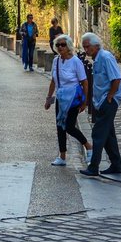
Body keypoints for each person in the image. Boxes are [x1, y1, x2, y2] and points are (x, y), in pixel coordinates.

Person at [43, 34, 93, 166]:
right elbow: (53, 80)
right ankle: (62, 156)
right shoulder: (56, 61)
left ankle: (88, 146)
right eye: (58, 45)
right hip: (61, 98)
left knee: (70, 127)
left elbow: (85, 82)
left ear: (69, 46)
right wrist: (48, 98)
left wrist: (85, 102)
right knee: (60, 126)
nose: (60, 47)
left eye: (63, 45)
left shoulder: (76, 61)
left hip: (73, 99)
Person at [79, 32, 121, 176]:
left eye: (88, 47)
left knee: (98, 133)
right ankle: (116, 165)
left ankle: (94, 167)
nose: (86, 50)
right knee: (108, 135)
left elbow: (116, 78)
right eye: (84, 47)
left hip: (107, 101)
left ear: (96, 46)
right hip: (101, 102)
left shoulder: (105, 57)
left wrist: (110, 96)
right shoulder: (98, 59)